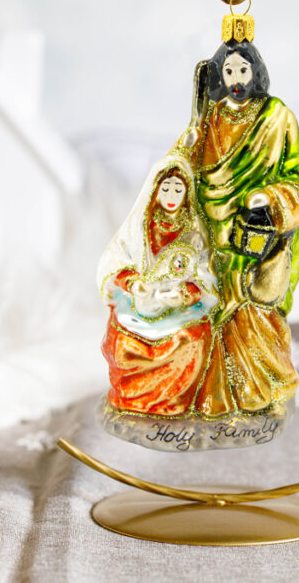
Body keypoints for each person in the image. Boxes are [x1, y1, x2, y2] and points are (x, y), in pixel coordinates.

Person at [171, 35, 299, 417]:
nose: (237, 78)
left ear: (256, 71)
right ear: (219, 75)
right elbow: (184, 167)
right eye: (229, 70)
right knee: (211, 314)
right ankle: (216, 397)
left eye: (243, 69)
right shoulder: (210, 118)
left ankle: (264, 392)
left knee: (256, 312)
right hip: (212, 237)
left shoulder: (277, 117)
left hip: (256, 236)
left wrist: (270, 198)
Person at [96, 156, 218, 417]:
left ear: (187, 193)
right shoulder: (138, 227)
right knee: (122, 341)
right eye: (166, 188)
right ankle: (132, 401)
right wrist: (132, 283)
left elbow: (206, 275)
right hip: (139, 304)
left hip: (178, 309)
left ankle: (173, 402)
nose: (171, 196)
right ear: (154, 190)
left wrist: (184, 295)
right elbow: (116, 260)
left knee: (192, 339)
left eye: (178, 189)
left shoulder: (195, 232)